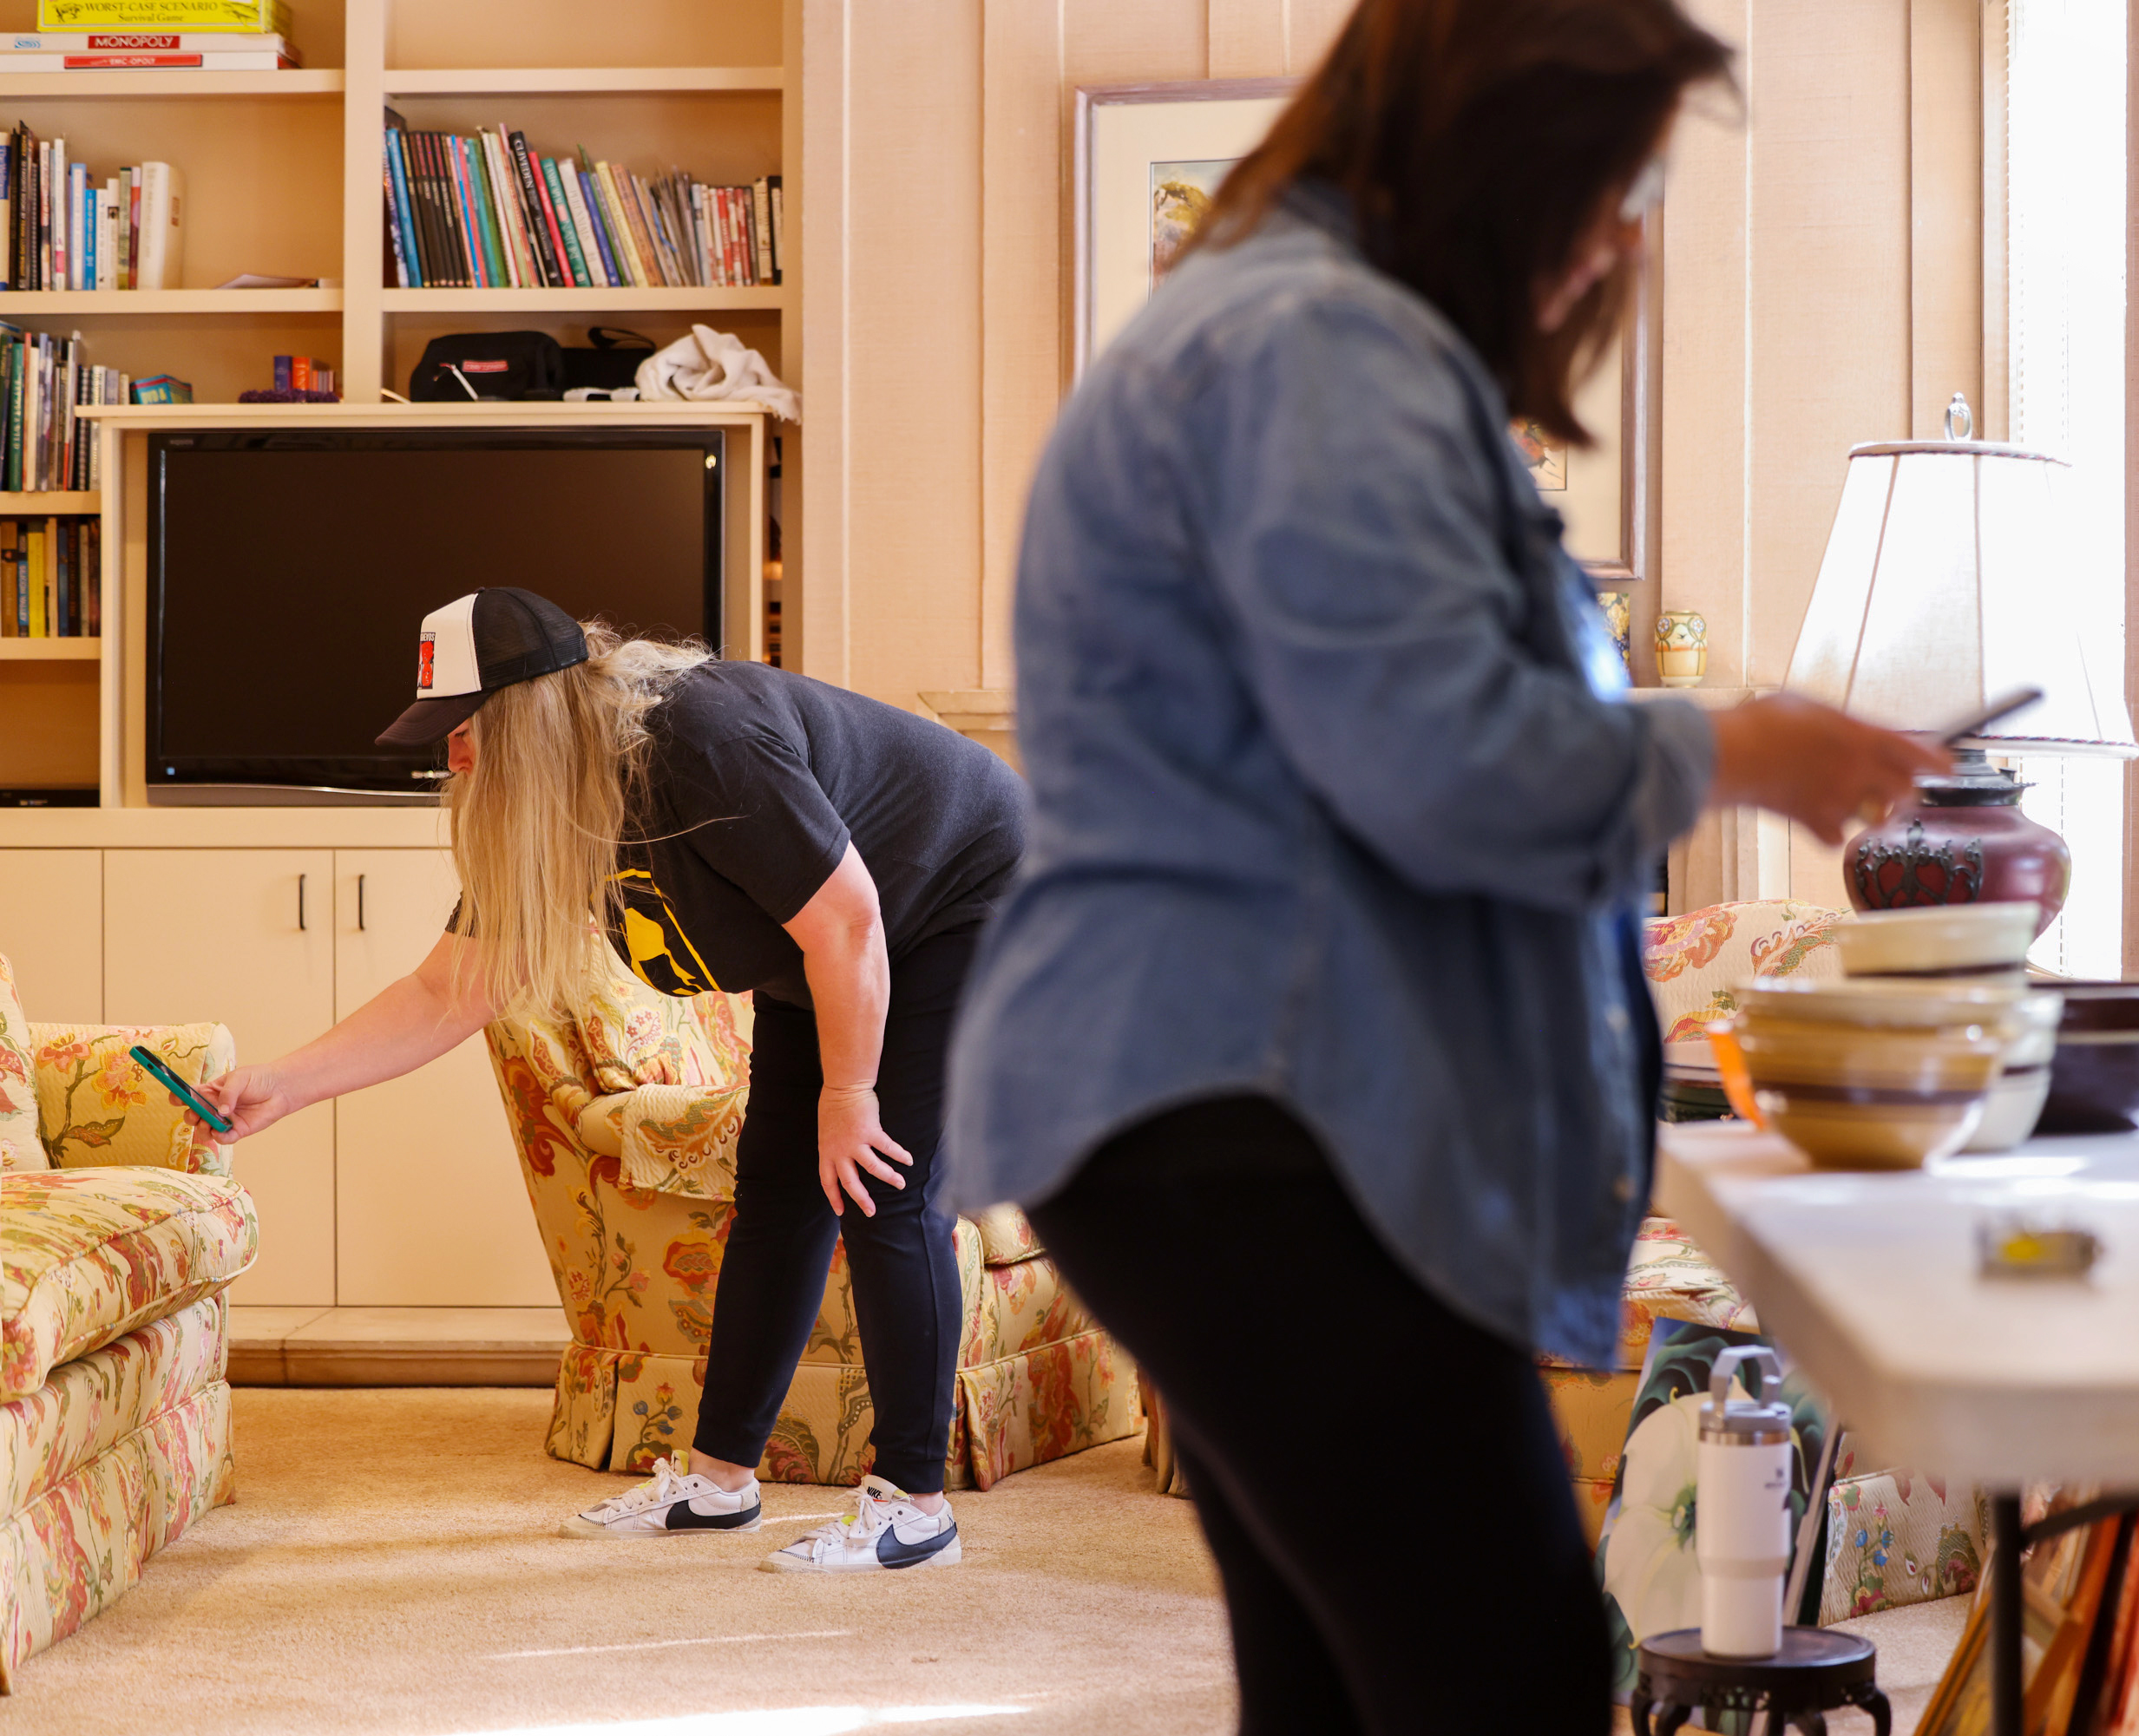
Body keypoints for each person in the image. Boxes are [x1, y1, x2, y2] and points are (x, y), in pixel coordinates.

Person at [944, 1, 1945, 1728]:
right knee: (1502, 1670)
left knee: (1345, 1682)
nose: (1622, 236)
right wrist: (1735, 743)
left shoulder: (1286, 331)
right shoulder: (1313, 348)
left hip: (1218, 1119)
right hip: (1261, 1128)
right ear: (1499, 151)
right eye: (1606, 184)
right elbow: (1439, 759)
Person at [190, 586, 1025, 1573]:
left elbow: (847, 920)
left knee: (881, 1182)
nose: (449, 757)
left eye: (463, 730)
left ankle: (915, 1507)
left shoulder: (695, 740)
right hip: (833, 943)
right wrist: (285, 1082)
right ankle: (719, 1483)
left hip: (955, 891)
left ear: (529, 712)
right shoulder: (561, 803)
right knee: (777, 1191)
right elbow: (448, 990)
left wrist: (849, 1099)